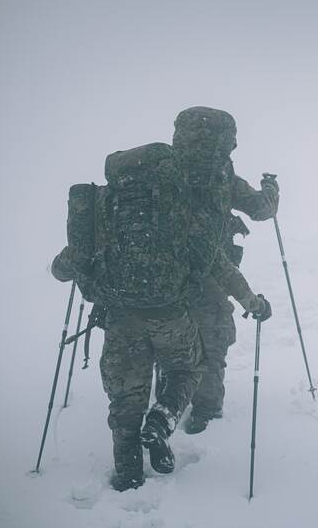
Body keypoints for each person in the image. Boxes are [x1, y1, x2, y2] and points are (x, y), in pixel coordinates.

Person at [51, 113, 271, 492]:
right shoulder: (190, 201)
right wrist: (251, 300)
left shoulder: (115, 202)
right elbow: (220, 259)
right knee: (190, 366)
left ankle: (128, 474)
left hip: (120, 314)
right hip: (172, 308)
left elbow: (67, 264)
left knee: (125, 397)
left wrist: (71, 266)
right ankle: (167, 419)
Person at [172, 106, 280, 435]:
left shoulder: (164, 172)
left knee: (168, 333)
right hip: (211, 271)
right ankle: (205, 410)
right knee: (212, 338)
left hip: (165, 270)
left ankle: (168, 399)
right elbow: (262, 209)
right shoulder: (223, 177)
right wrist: (271, 190)